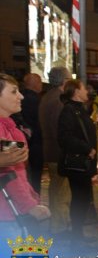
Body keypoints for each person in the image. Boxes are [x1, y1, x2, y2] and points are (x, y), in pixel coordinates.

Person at [0, 73, 50, 238]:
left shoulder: (11, 129)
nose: (20, 96)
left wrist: (32, 197)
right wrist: (29, 205)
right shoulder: (4, 131)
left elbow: (17, 170)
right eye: (14, 92)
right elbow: (10, 175)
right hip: (8, 214)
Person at [57, 80, 98, 244]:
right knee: (79, 200)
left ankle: (79, 235)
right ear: (76, 92)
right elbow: (64, 138)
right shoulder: (69, 110)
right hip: (77, 165)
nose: (86, 91)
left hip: (84, 164)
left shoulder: (78, 109)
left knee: (82, 199)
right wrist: (86, 149)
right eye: (83, 88)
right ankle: (77, 239)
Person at [39, 66, 72, 236]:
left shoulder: (47, 97)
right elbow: (61, 130)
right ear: (64, 81)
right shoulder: (58, 101)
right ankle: (60, 227)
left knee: (56, 190)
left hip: (51, 151)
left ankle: (59, 224)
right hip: (59, 153)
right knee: (61, 192)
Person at [19, 73, 44, 194]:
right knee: (35, 178)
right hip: (35, 144)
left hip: (27, 143)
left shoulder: (24, 97)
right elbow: (38, 124)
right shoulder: (34, 100)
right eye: (39, 82)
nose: (41, 85)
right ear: (34, 84)